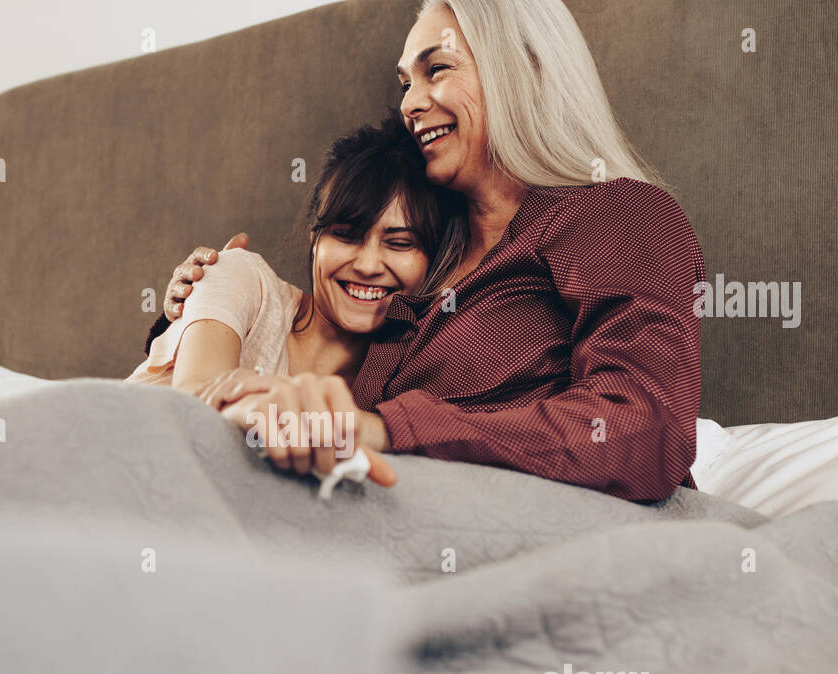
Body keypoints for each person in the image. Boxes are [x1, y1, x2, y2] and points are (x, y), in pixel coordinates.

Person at [161, 0, 704, 504]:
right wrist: (206, 297)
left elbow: (648, 425)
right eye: (405, 83)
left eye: (436, 69)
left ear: (527, 70)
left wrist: (385, 429)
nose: (409, 104)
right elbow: (307, 328)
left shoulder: (617, 213)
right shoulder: (430, 260)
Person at [128, 113, 464, 484]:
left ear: (432, 261)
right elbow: (192, 402)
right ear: (314, 239)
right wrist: (253, 407)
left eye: (400, 243)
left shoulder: (392, 393)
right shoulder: (242, 276)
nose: (368, 265)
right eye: (346, 235)